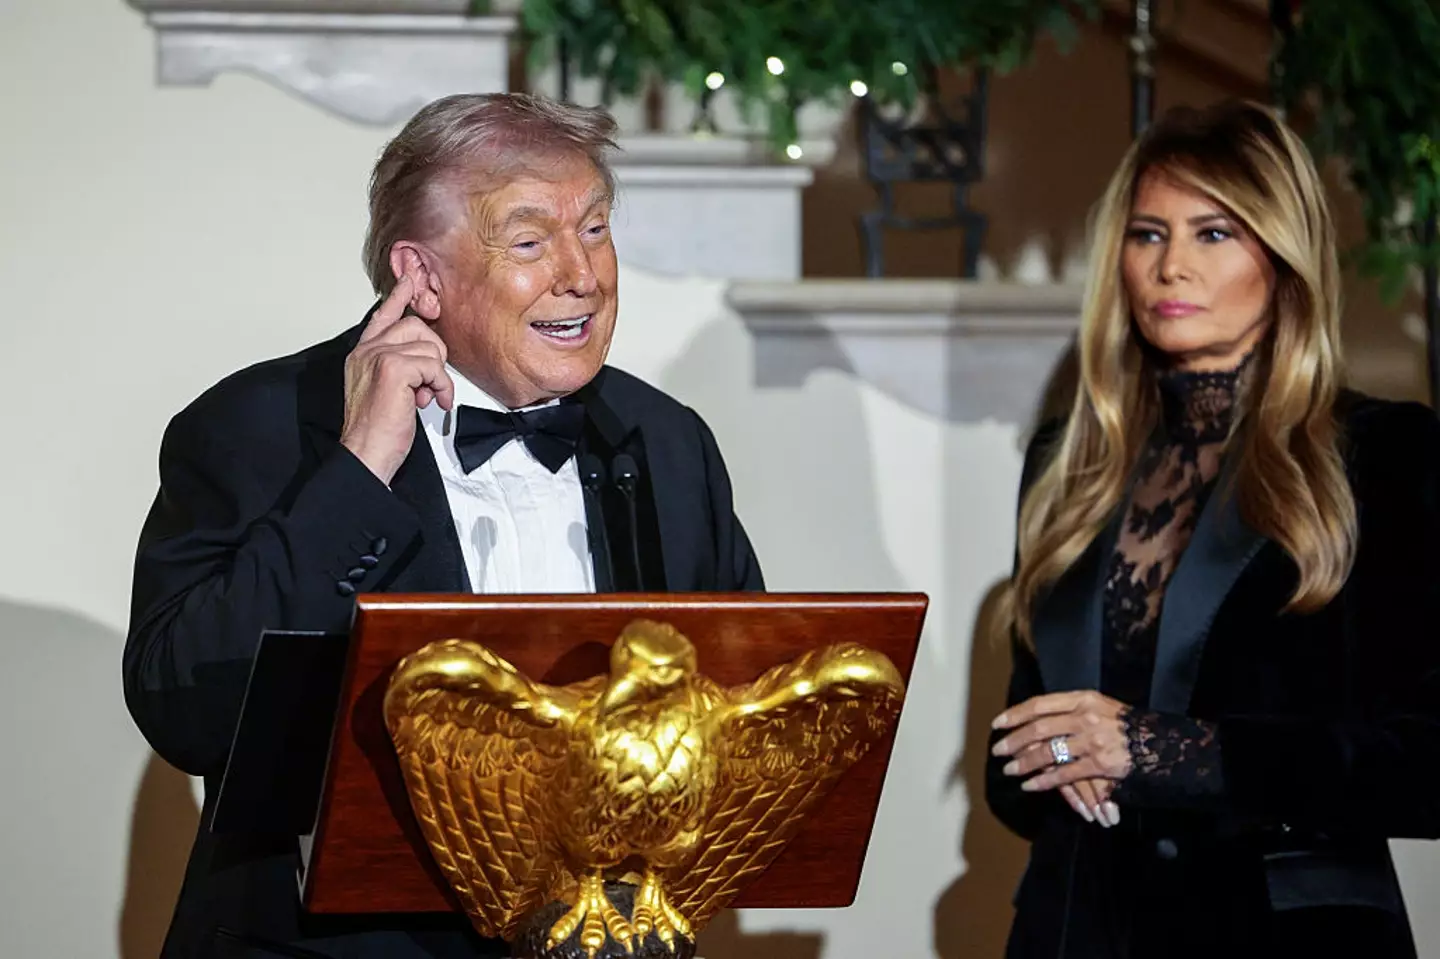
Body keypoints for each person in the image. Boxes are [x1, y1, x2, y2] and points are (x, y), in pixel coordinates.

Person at [123, 92, 763, 959]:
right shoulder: (258, 426)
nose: (581, 275)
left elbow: (737, 714)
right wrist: (356, 472)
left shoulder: (667, 440)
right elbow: (186, 710)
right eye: (530, 241)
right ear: (420, 276)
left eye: (597, 228)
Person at [986, 99, 1440, 959]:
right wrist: (1057, 750)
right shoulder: (1066, 466)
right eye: (1148, 234)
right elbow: (1010, 778)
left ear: (1283, 257)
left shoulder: (1384, 455)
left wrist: (1161, 749)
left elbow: (1425, 764)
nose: (1172, 267)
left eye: (1215, 234)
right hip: (1072, 929)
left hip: (1281, 936)